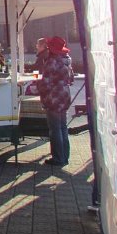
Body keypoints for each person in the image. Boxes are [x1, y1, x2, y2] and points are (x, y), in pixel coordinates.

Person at [37, 36, 74, 166]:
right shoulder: (67, 60)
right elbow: (71, 79)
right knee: (63, 127)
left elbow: (45, 83)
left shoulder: (51, 61)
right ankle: (65, 156)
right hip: (65, 95)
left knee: (55, 129)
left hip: (54, 97)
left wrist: (39, 89)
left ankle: (58, 158)